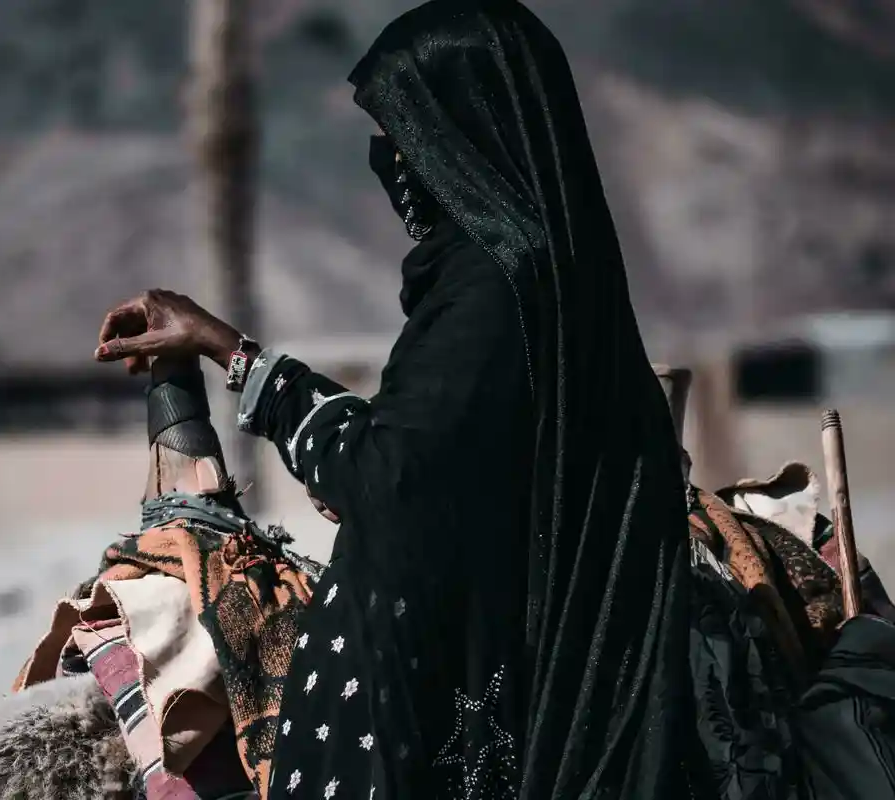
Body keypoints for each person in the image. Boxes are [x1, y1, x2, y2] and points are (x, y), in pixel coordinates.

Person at [96, 1, 692, 797]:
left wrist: (225, 351)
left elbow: (388, 478)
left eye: (404, 134)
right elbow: (443, 460)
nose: (391, 159)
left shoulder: (492, 291)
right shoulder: (550, 280)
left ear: (459, 134)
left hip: (436, 709)